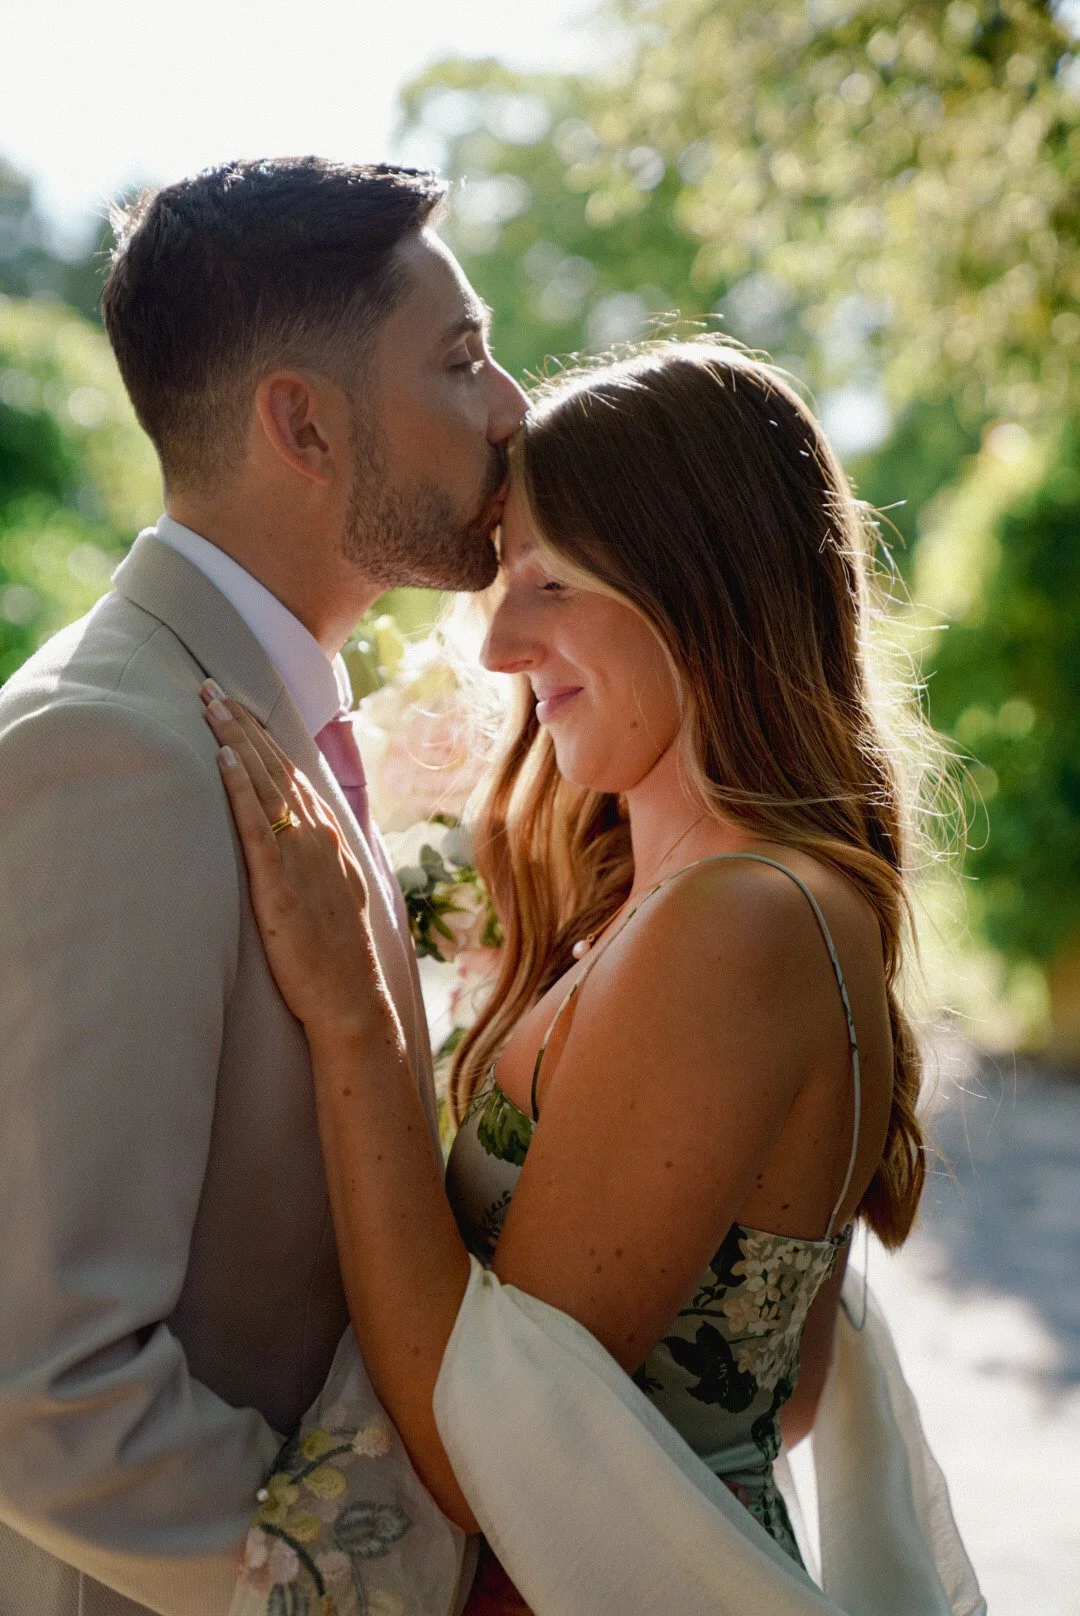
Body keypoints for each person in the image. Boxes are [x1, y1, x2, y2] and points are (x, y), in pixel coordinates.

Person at [202, 341, 984, 1615]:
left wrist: (351, 1013)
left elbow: (481, 1459)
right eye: (505, 579)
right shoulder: (710, 902)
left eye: (551, 583)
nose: (503, 645)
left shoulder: (740, 920)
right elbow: (777, 1389)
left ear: (700, 590)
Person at [0, 156, 527, 1616]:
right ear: (302, 422)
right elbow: (46, 1384)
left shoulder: (257, 708)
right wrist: (389, 1580)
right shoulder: (109, 751)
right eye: (462, 359)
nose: (512, 409)